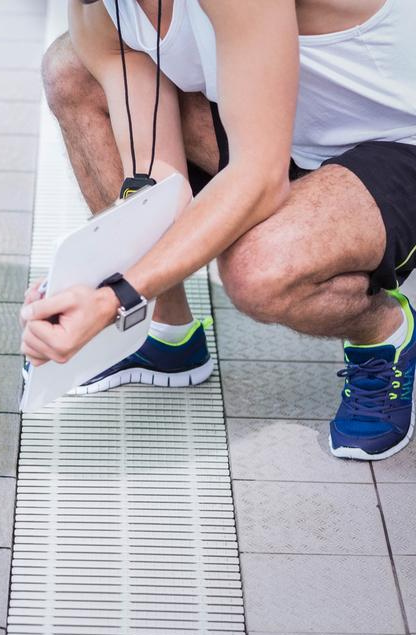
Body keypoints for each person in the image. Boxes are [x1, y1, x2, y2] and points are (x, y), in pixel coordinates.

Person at [22, 0, 416, 460]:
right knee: (73, 69)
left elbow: (258, 179)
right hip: (276, 127)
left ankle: (383, 331)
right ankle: (165, 335)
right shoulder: (96, 10)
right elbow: (154, 181)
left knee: (260, 270)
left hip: (395, 138)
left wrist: (117, 297)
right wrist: (88, 278)